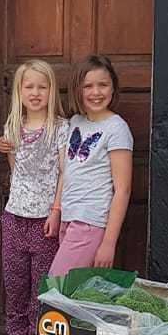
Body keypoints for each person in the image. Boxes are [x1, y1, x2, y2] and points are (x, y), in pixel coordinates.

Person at [0, 60, 67, 335]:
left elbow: (65, 172)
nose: (35, 93)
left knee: (42, 281)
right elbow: (16, 171)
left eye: (42, 86)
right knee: (15, 279)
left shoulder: (61, 128)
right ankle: (16, 334)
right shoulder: (12, 127)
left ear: (51, 91)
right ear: (19, 92)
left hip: (45, 219)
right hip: (14, 216)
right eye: (29, 86)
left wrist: (56, 210)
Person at [49, 55, 133, 277]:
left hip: (90, 222)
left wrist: (108, 243)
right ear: (78, 90)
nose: (96, 92)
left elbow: (123, 189)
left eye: (103, 85)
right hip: (69, 217)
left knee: (57, 287)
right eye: (88, 86)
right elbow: (66, 171)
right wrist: (57, 211)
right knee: (76, 293)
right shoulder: (76, 121)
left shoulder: (116, 128)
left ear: (113, 88)